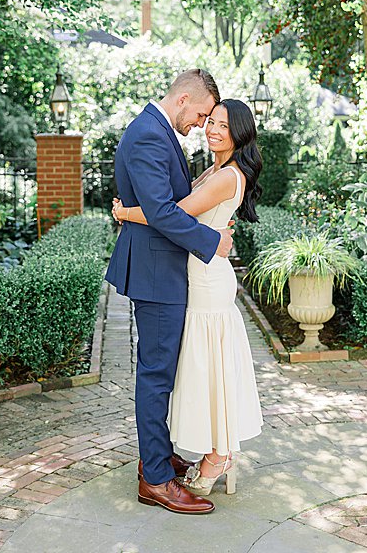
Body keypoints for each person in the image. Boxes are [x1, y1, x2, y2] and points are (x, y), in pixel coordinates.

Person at [113, 98, 264, 497]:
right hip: (195, 273)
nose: (212, 130)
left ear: (241, 134)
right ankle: (201, 452)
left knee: (211, 369)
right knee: (198, 369)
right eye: (210, 121)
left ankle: (219, 455)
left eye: (222, 126)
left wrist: (126, 213)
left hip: (207, 279)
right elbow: (177, 214)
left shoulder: (225, 176)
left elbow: (171, 213)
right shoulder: (214, 169)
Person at [104, 69, 234, 516]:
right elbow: (161, 211)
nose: (201, 124)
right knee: (157, 375)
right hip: (157, 273)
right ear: (182, 99)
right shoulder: (148, 135)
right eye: (200, 114)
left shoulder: (156, 130)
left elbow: (160, 204)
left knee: (164, 372)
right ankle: (155, 479)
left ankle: (158, 456)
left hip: (165, 270)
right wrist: (211, 240)